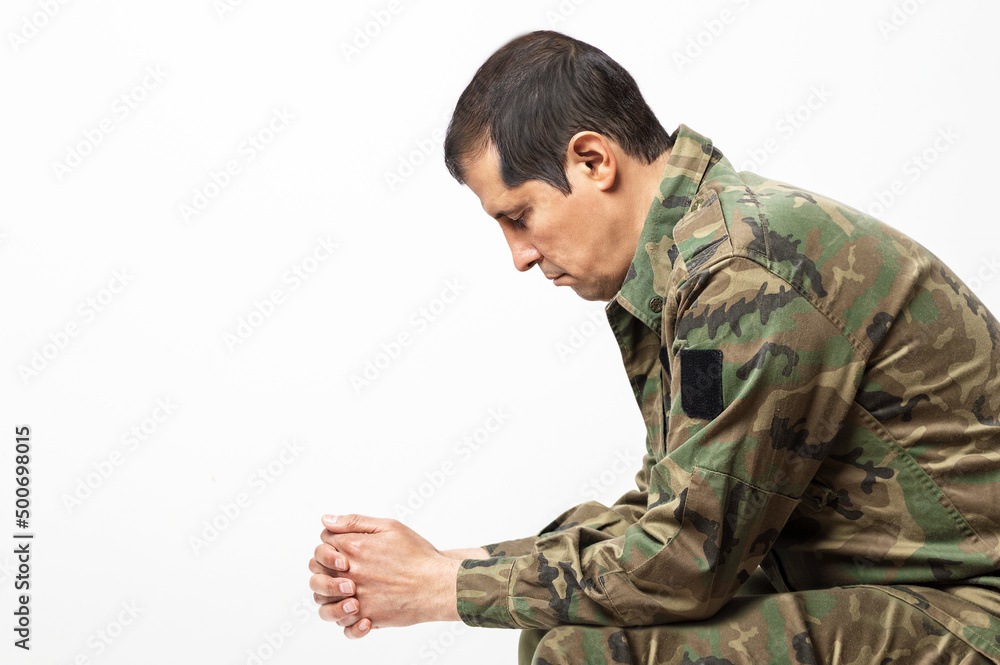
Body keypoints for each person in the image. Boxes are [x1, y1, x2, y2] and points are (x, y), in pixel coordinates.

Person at [308, 30, 1000, 663]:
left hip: (971, 613)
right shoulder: (694, 264)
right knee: (563, 626)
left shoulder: (741, 272)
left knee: (591, 654)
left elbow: (689, 558)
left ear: (591, 161)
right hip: (900, 596)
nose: (518, 254)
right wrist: (438, 564)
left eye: (519, 216)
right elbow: (666, 513)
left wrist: (440, 586)